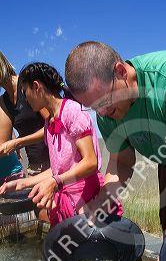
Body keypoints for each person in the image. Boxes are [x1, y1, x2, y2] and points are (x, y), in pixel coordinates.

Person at [64, 41, 166, 231]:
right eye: (93, 107)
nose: (103, 113)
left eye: (105, 101)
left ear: (121, 71)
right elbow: (121, 163)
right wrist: (100, 204)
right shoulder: (106, 114)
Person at [0, 62, 107, 226]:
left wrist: (56, 182)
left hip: (85, 199)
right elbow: (58, 170)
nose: (25, 98)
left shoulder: (72, 112)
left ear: (36, 87)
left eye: (25, 91)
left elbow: (90, 162)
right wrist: (23, 183)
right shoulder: (49, 123)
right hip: (67, 201)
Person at [0, 51, 50, 220]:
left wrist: (18, 143)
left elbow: (54, 126)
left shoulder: (28, 84)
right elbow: (3, 143)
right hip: (35, 166)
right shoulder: (4, 101)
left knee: (57, 215)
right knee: (40, 214)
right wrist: (12, 145)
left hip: (54, 163)